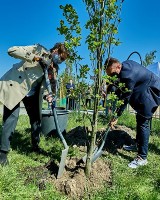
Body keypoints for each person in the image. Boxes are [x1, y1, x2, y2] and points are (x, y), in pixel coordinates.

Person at [0, 43, 69, 165]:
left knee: (36, 120)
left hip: (32, 93)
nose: (60, 60)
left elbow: (52, 86)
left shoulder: (53, 69)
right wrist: (35, 57)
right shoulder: (38, 49)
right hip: (16, 85)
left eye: (63, 60)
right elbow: (12, 50)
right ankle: (3, 153)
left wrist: (50, 95)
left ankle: (35, 147)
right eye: (61, 57)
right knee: (11, 118)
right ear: (56, 50)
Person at [104, 57, 160, 168]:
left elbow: (125, 98)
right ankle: (137, 145)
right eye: (110, 75)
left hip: (151, 92)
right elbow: (117, 83)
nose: (112, 77)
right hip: (145, 91)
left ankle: (142, 157)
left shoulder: (128, 75)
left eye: (113, 74)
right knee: (139, 119)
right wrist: (108, 88)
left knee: (143, 123)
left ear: (118, 66)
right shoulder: (124, 67)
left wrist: (116, 116)